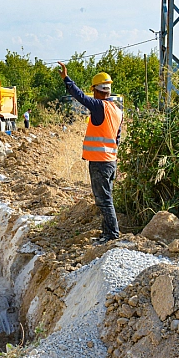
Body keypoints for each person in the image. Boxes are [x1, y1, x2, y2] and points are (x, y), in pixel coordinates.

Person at [58, 62, 123, 244]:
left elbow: (79, 96)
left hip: (100, 162)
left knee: (104, 201)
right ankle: (107, 234)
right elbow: (116, 138)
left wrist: (66, 79)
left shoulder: (98, 106)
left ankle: (112, 235)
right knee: (106, 198)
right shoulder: (118, 111)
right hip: (111, 161)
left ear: (96, 90)